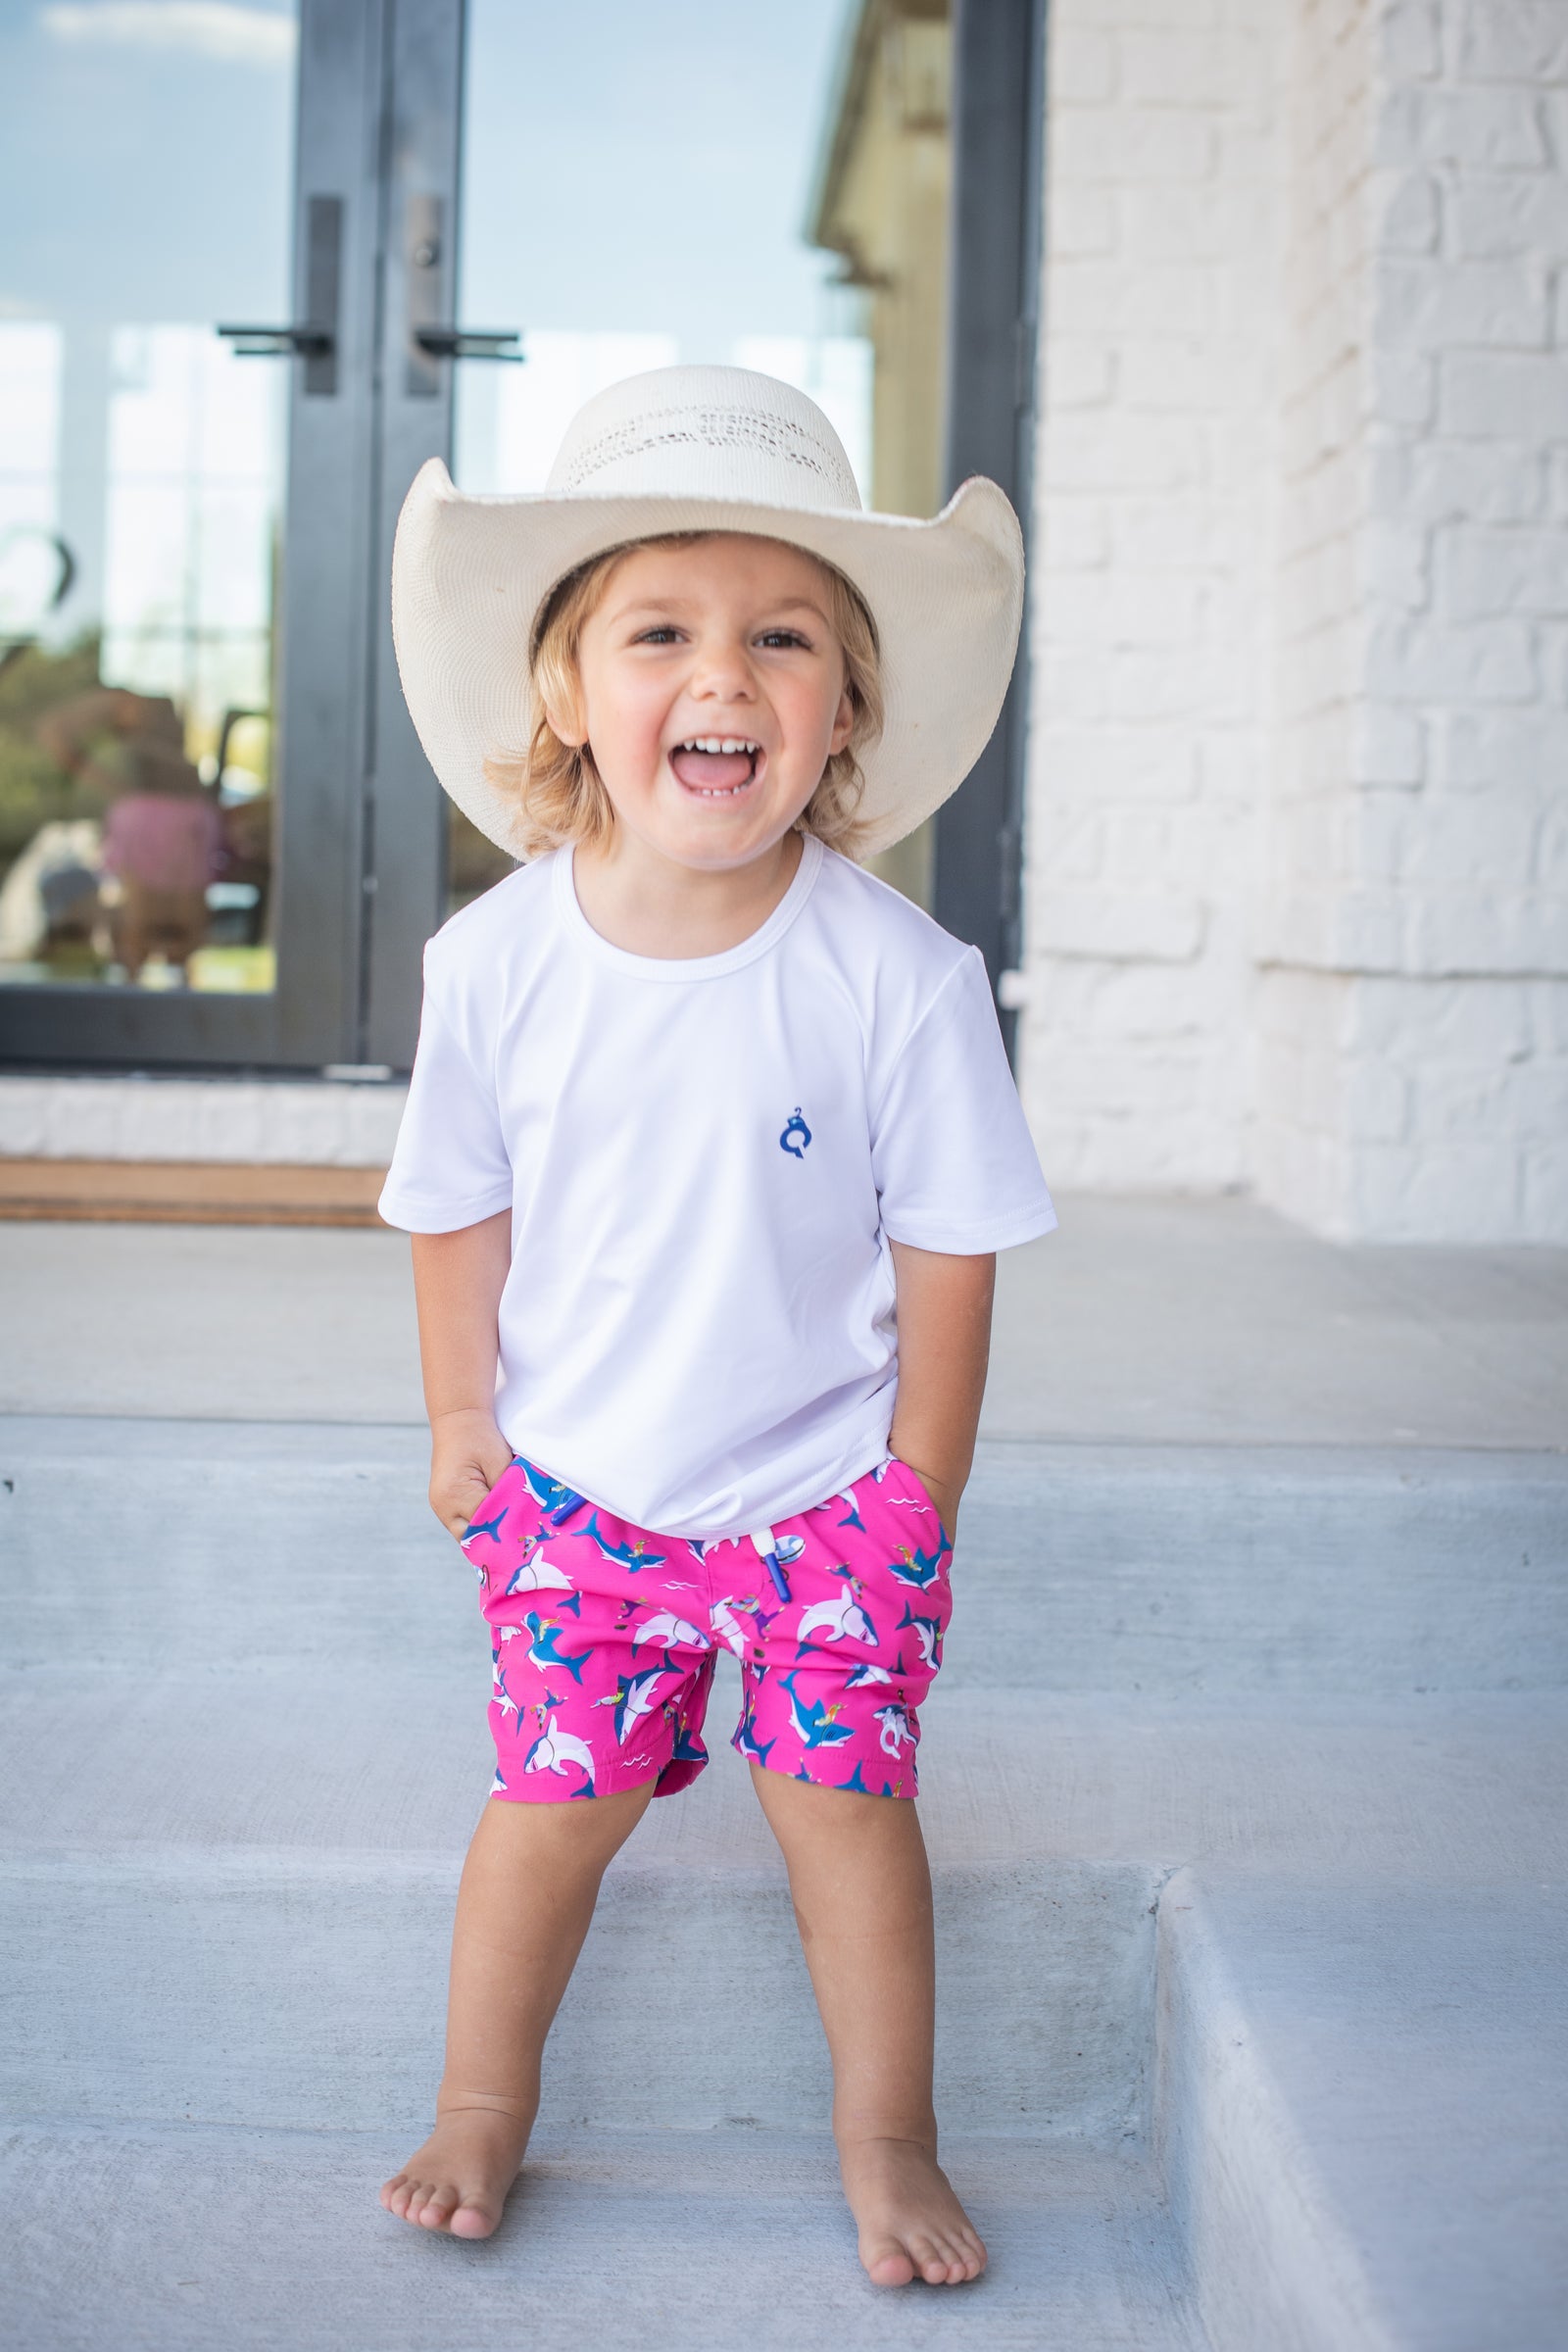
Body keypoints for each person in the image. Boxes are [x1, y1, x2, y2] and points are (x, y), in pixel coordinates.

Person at [375, 368, 1055, 2285]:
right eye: (657, 632)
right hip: (583, 1492)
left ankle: (887, 2133)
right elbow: (455, 1206)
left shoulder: (893, 978)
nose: (721, 678)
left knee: (843, 1807)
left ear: (840, 708)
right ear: (566, 696)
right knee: (553, 1802)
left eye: (780, 640)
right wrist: (461, 1433)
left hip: (820, 1493)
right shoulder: (493, 963)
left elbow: (949, 1249)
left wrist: (913, 1491)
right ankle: (483, 2104)